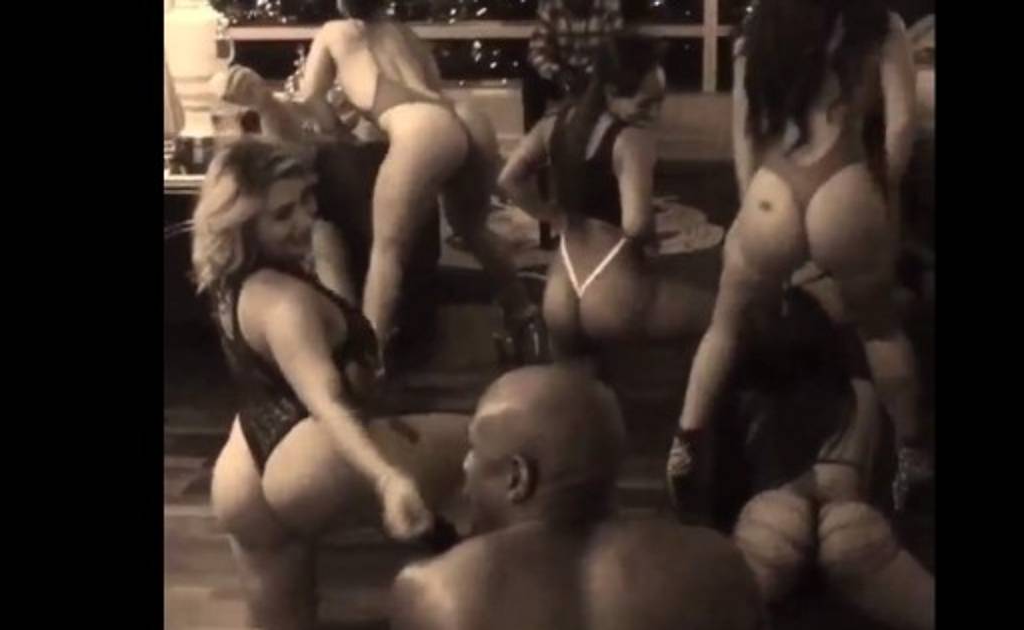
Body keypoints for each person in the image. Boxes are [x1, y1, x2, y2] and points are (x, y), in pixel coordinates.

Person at [191, 139, 471, 630]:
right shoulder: (285, 305)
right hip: (308, 456)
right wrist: (386, 478)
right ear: (243, 222)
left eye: (306, 200)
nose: (303, 219)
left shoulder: (235, 282)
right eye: (282, 214)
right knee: (488, 446)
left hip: (243, 470)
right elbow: (327, 401)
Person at [670, 0, 930, 511]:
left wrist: (749, 209)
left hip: (774, 188)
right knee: (880, 331)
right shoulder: (880, 24)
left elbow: (745, 134)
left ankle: (685, 443)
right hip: (844, 185)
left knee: (725, 327)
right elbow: (901, 128)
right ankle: (913, 454)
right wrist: (878, 196)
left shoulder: (758, 24)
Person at [226, 0, 547, 373]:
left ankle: (368, 359)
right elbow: (419, 91)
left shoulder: (335, 32)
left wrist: (333, 127)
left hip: (422, 129)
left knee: (387, 251)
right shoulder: (404, 34)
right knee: (473, 229)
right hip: (464, 117)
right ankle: (525, 319)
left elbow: (313, 103)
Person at [389, 365, 765, 630]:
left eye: (474, 450)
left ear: (518, 477)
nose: (465, 466)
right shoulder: (719, 566)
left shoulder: (435, 593)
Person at [671, 270, 935, 630]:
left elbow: (703, 486)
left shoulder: (745, 397)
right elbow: (896, 479)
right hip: (850, 517)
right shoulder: (865, 390)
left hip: (774, 515)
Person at [499, 38, 713, 359]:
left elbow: (508, 179)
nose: (655, 114)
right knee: (724, 315)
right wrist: (653, 242)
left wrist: (551, 216)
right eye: (645, 104)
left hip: (559, 290)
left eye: (660, 102)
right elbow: (636, 224)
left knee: (575, 381)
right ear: (611, 92)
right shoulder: (632, 139)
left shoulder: (554, 124)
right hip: (613, 290)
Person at [525, 0, 625, 129]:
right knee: (532, 75)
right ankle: (534, 132)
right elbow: (537, 50)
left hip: (597, 71)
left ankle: (609, 131)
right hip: (562, 69)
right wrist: (556, 73)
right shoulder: (551, 5)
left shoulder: (609, 5)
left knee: (618, 72)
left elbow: (615, 49)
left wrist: (591, 74)